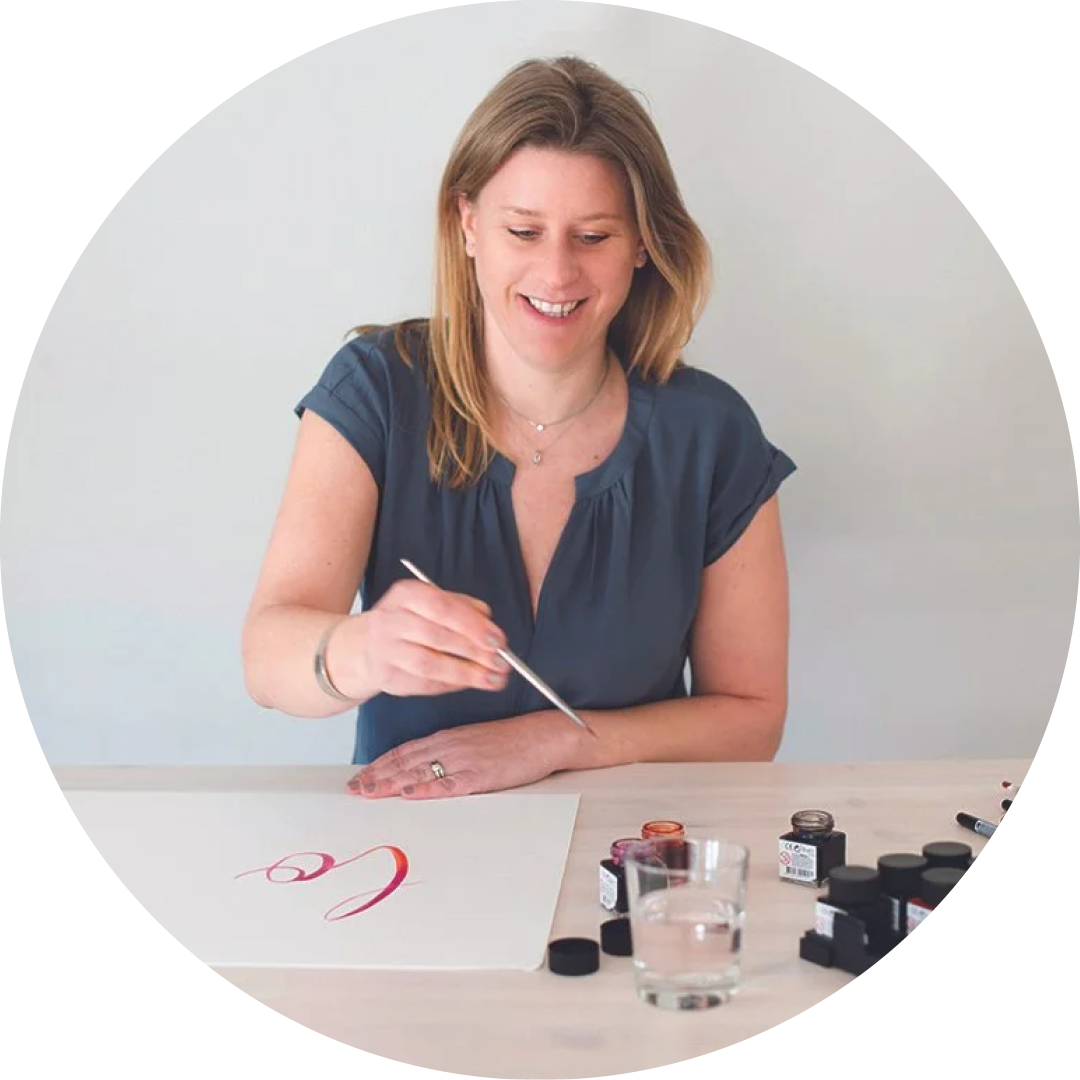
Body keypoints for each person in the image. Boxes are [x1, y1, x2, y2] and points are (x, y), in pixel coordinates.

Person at [242, 56, 796, 800]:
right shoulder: (375, 390)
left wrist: (554, 742)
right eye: (524, 230)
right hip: (411, 842)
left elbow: (752, 720)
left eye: (593, 236)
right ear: (468, 224)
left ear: (642, 244)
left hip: (631, 846)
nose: (557, 274)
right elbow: (266, 661)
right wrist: (358, 649)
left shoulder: (712, 435)